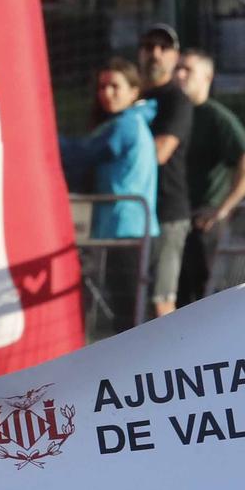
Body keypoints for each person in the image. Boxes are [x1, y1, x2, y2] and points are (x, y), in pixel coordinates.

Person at [59, 58, 159, 332]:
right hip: (124, 228)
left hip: (126, 230)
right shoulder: (129, 123)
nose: (107, 93)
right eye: (103, 87)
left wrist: (41, 137)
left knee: (129, 315)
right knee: (127, 311)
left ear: (134, 91)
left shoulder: (125, 125)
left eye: (115, 86)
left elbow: (83, 154)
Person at [174, 49, 245, 305]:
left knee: (207, 298)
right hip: (175, 220)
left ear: (207, 77)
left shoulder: (216, 117)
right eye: (177, 68)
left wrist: (222, 209)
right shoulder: (174, 115)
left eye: (187, 70)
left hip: (203, 223)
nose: (180, 75)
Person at [135, 22, 193, 318]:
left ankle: (172, 363)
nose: (155, 54)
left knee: (161, 303)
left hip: (166, 214)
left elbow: (160, 153)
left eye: (163, 48)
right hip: (129, 216)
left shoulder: (177, 100)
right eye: (148, 46)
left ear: (175, 56)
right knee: (131, 302)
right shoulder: (127, 96)